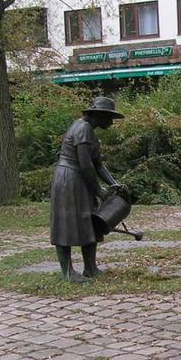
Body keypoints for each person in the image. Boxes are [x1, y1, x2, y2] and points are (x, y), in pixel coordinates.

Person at [50, 96, 124, 283]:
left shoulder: (89, 130)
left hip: (80, 179)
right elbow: (85, 165)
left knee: (89, 220)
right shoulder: (82, 129)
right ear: (99, 115)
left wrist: (113, 184)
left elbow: (98, 164)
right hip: (69, 179)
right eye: (109, 118)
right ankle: (67, 272)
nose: (111, 123)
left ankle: (90, 268)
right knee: (66, 223)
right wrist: (99, 190)